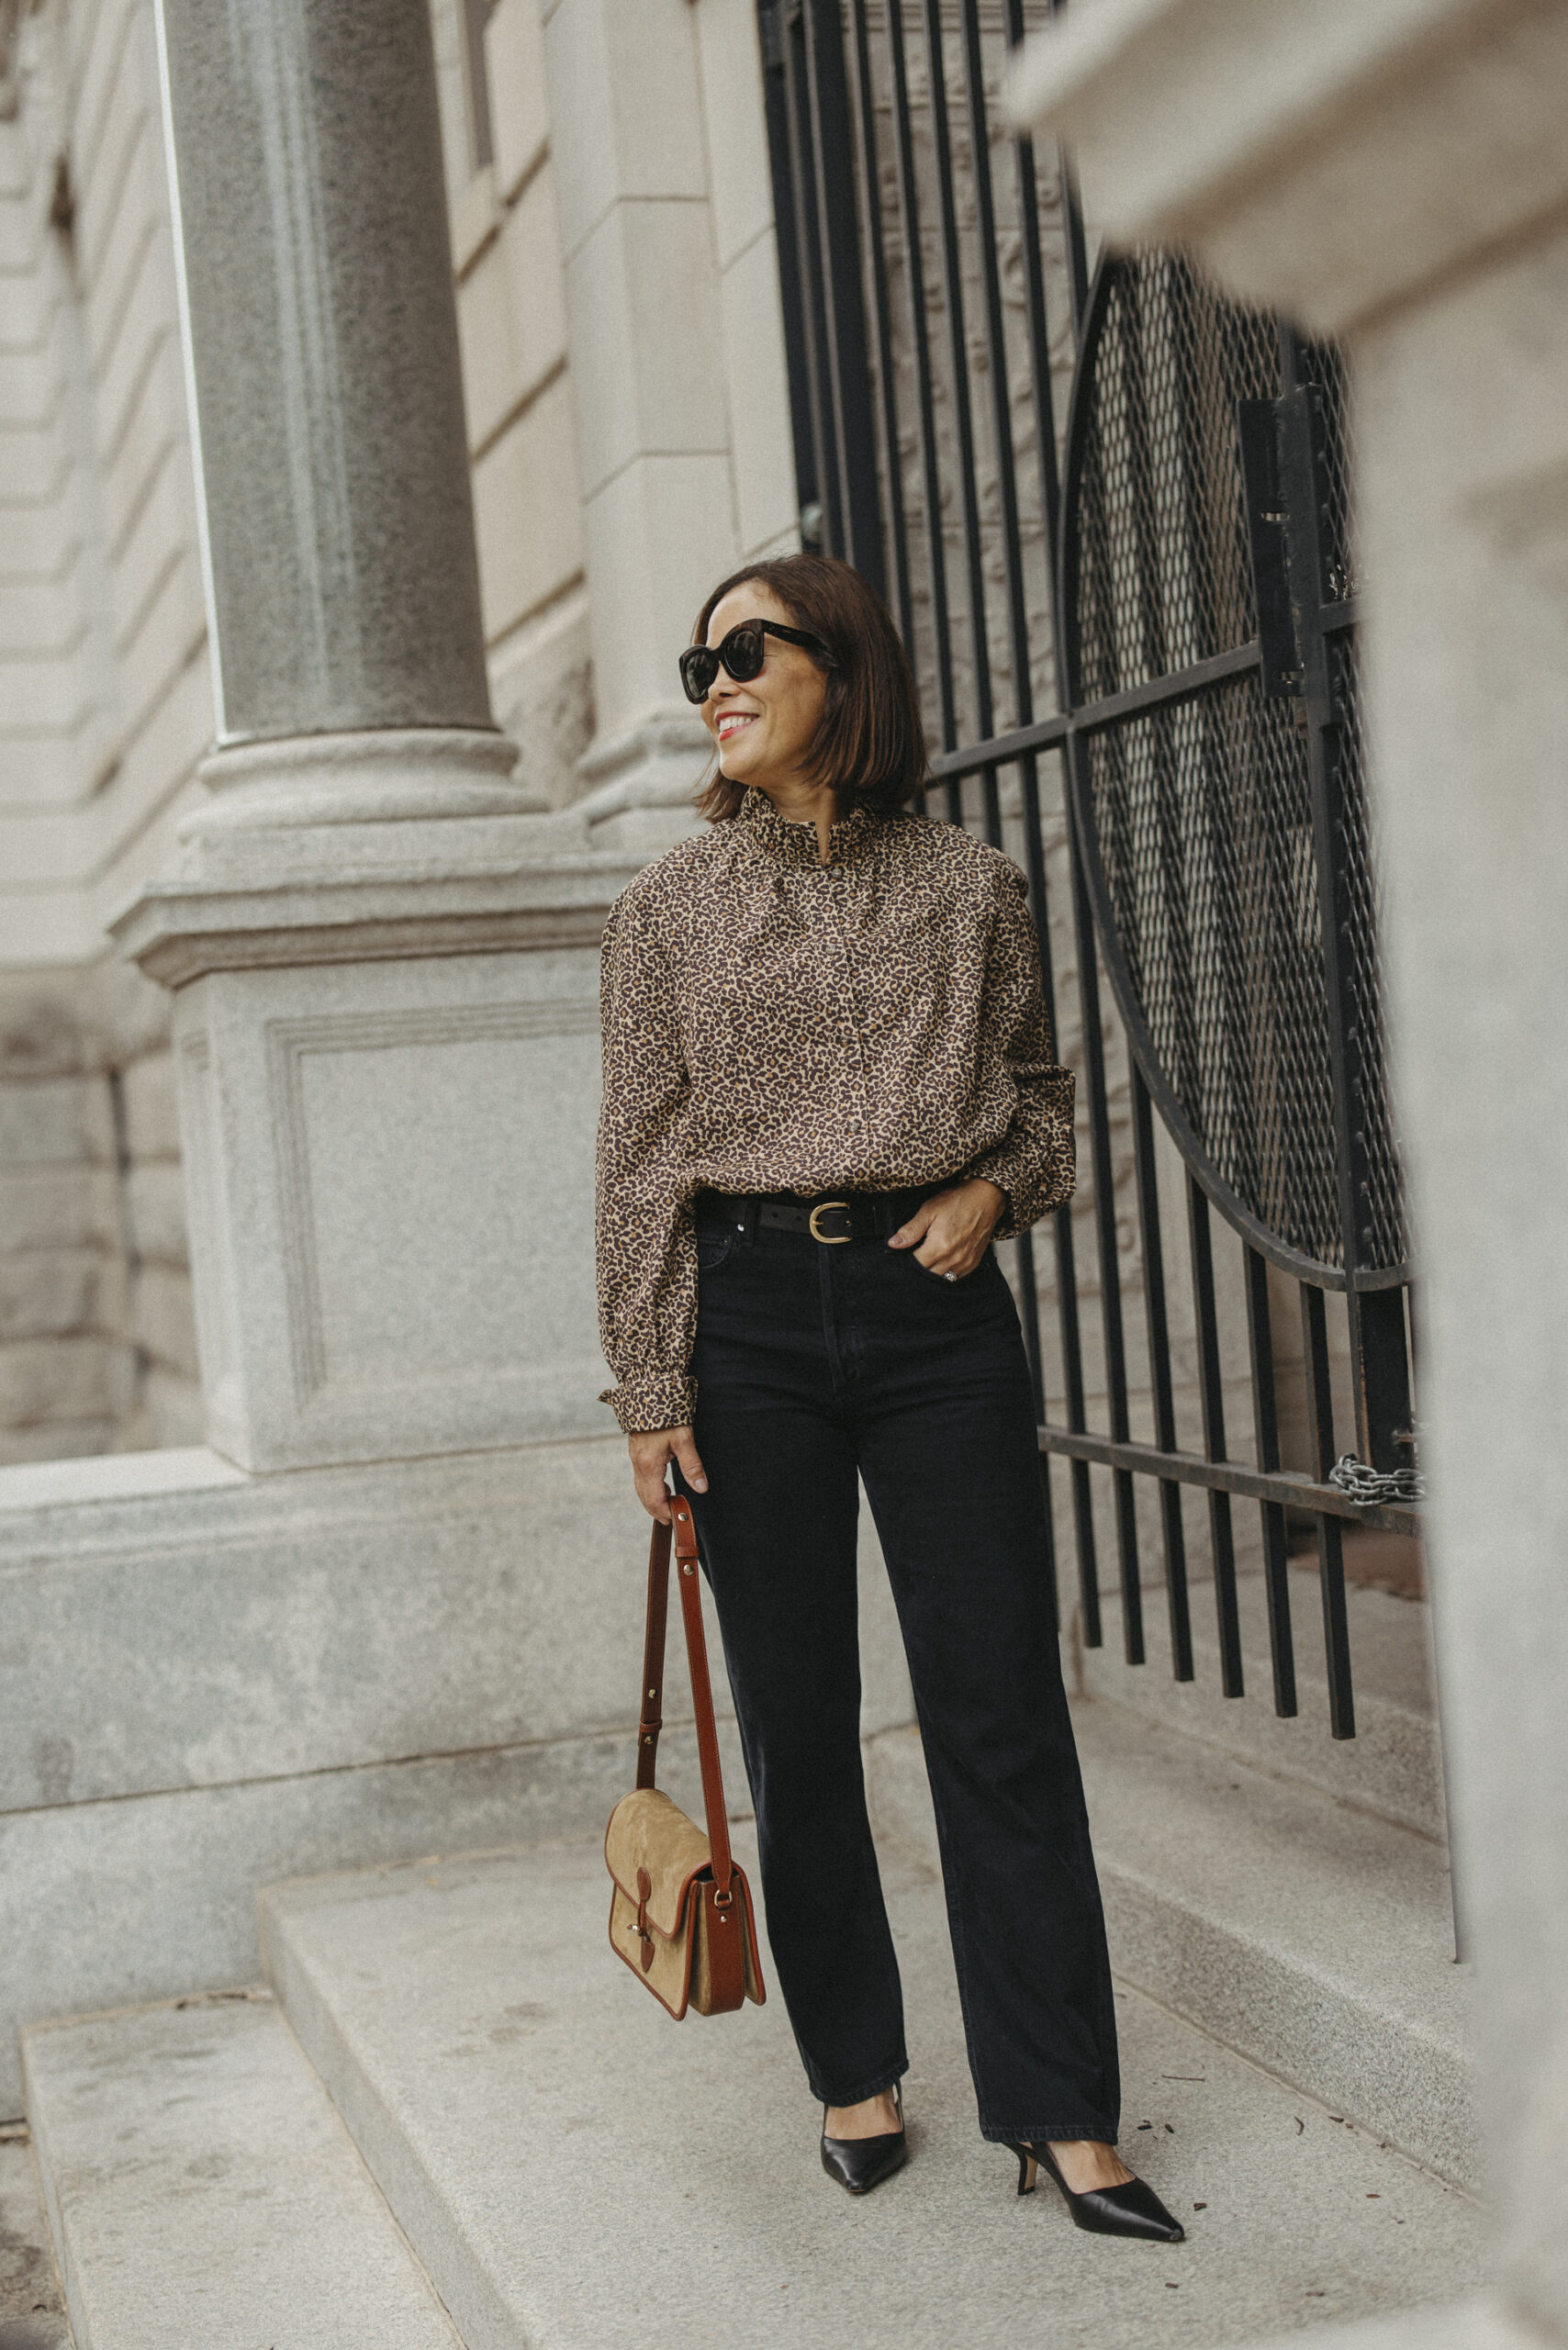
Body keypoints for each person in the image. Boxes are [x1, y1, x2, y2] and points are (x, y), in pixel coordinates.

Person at [594, 553, 1182, 2241]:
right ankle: (854, 2075)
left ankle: (1063, 2110)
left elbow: (1047, 1112)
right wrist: (648, 1384)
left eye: (745, 650)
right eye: (695, 656)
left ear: (840, 672)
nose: (711, 679)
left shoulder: (976, 889)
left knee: (998, 1710)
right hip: (750, 1326)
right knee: (796, 1724)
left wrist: (996, 1191)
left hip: (937, 1323)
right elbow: (639, 1160)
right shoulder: (666, 909)